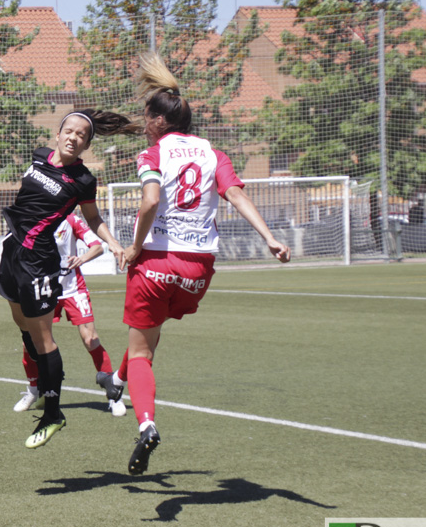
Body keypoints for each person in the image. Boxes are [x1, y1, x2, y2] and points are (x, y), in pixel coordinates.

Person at [107, 53, 290, 475]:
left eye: (145, 116)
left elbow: (151, 201)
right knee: (147, 340)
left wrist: (135, 247)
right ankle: (116, 382)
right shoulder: (213, 154)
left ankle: (146, 423)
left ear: (156, 121)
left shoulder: (151, 154)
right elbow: (238, 196)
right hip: (198, 269)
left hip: (156, 262)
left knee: (141, 352)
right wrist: (270, 238)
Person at [0, 108, 139, 450]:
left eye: (82, 136)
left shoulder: (83, 180)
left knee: (43, 337)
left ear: (87, 145)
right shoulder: (40, 156)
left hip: (40, 260)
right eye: (69, 131)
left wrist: (114, 243)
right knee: (22, 323)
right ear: (57, 134)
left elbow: (93, 218)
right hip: (12, 251)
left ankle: (53, 412)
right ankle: (44, 379)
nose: (74, 138)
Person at [13, 212, 126, 417]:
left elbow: (98, 247)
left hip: (74, 289)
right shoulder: (32, 220)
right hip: (45, 289)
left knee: (90, 338)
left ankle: (113, 395)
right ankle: (33, 390)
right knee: (30, 341)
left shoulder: (71, 220)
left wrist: (82, 258)